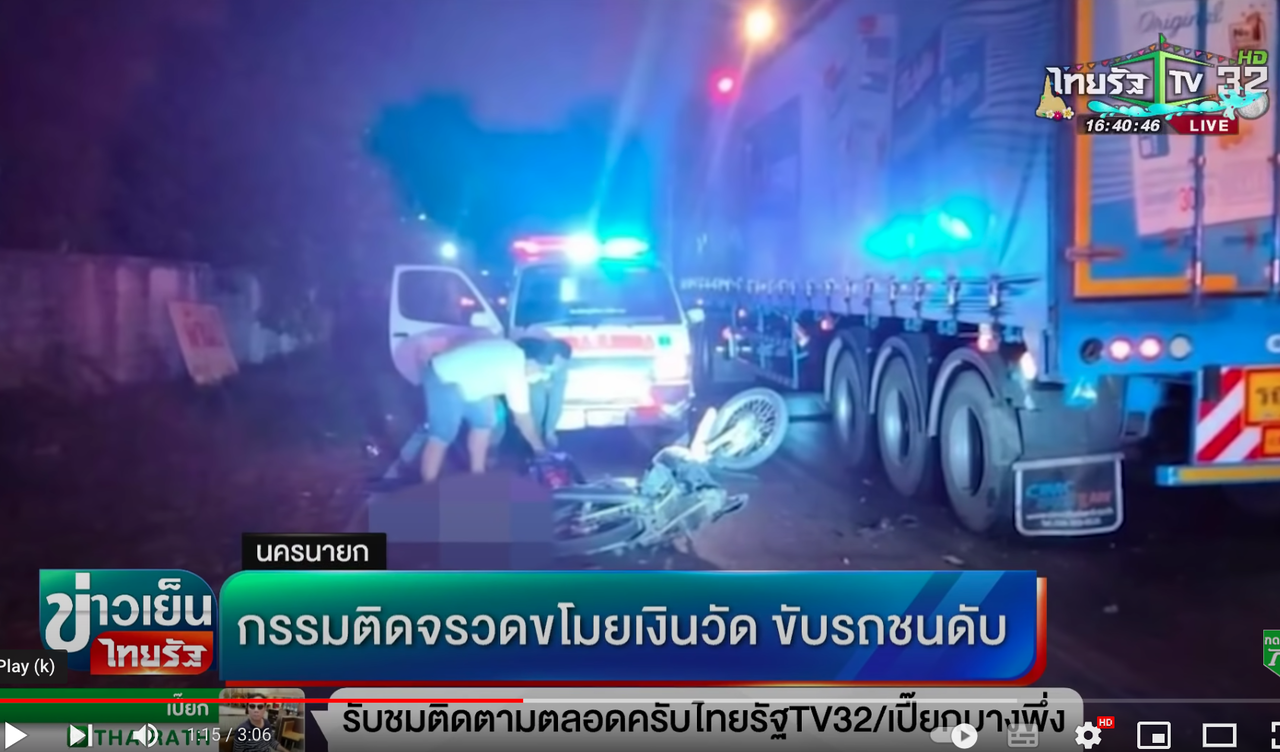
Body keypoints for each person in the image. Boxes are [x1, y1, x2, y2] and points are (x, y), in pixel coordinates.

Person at [419, 337, 564, 482]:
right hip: (444, 376)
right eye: (541, 369)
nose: (540, 375)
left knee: (484, 422)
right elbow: (522, 419)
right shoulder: (514, 371)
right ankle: (429, 486)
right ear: (531, 361)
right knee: (444, 433)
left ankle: (478, 476)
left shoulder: (513, 352)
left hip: (470, 381)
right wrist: (540, 449)